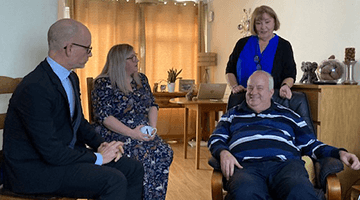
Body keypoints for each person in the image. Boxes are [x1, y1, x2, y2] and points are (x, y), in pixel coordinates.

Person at [2, 19, 144, 200]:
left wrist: (102, 145)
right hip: (34, 170)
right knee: (112, 180)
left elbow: (80, 123)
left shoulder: (71, 78)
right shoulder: (35, 87)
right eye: (87, 49)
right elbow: (51, 151)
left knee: (133, 168)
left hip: (60, 160)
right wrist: (98, 157)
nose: (90, 54)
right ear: (69, 48)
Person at [208, 70, 360, 200]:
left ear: (271, 92)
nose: (253, 92)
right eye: (250, 88)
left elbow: (311, 145)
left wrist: (340, 153)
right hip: (245, 166)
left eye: (259, 88)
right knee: (245, 193)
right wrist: (223, 152)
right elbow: (216, 138)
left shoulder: (289, 115)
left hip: (285, 166)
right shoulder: (232, 115)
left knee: (300, 191)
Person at [91, 44, 174, 200]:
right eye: (132, 57)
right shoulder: (103, 83)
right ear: (120, 61)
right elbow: (105, 117)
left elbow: (152, 105)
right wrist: (132, 133)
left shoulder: (141, 79)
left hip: (142, 129)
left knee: (165, 152)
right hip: (115, 131)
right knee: (145, 154)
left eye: (136, 56)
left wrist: (152, 128)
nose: (137, 60)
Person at [226, 5, 296, 109]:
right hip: (242, 99)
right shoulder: (242, 43)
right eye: (258, 23)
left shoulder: (284, 46)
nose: (263, 27)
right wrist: (234, 86)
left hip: (271, 101)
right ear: (253, 25)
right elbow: (230, 70)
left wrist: (285, 86)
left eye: (267, 22)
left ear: (274, 22)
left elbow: (290, 74)